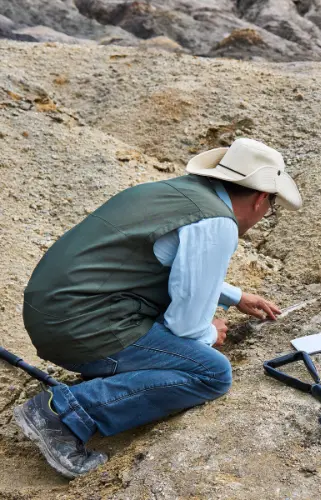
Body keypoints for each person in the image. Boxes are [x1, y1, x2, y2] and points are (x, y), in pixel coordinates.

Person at [14, 138, 302, 477]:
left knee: (176, 337)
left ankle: (104, 375)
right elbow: (187, 327)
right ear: (259, 198)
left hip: (51, 312)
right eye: (272, 205)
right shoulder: (217, 223)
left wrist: (235, 296)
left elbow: (163, 261)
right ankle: (62, 413)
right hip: (79, 328)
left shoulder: (176, 193)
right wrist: (209, 332)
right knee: (212, 372)